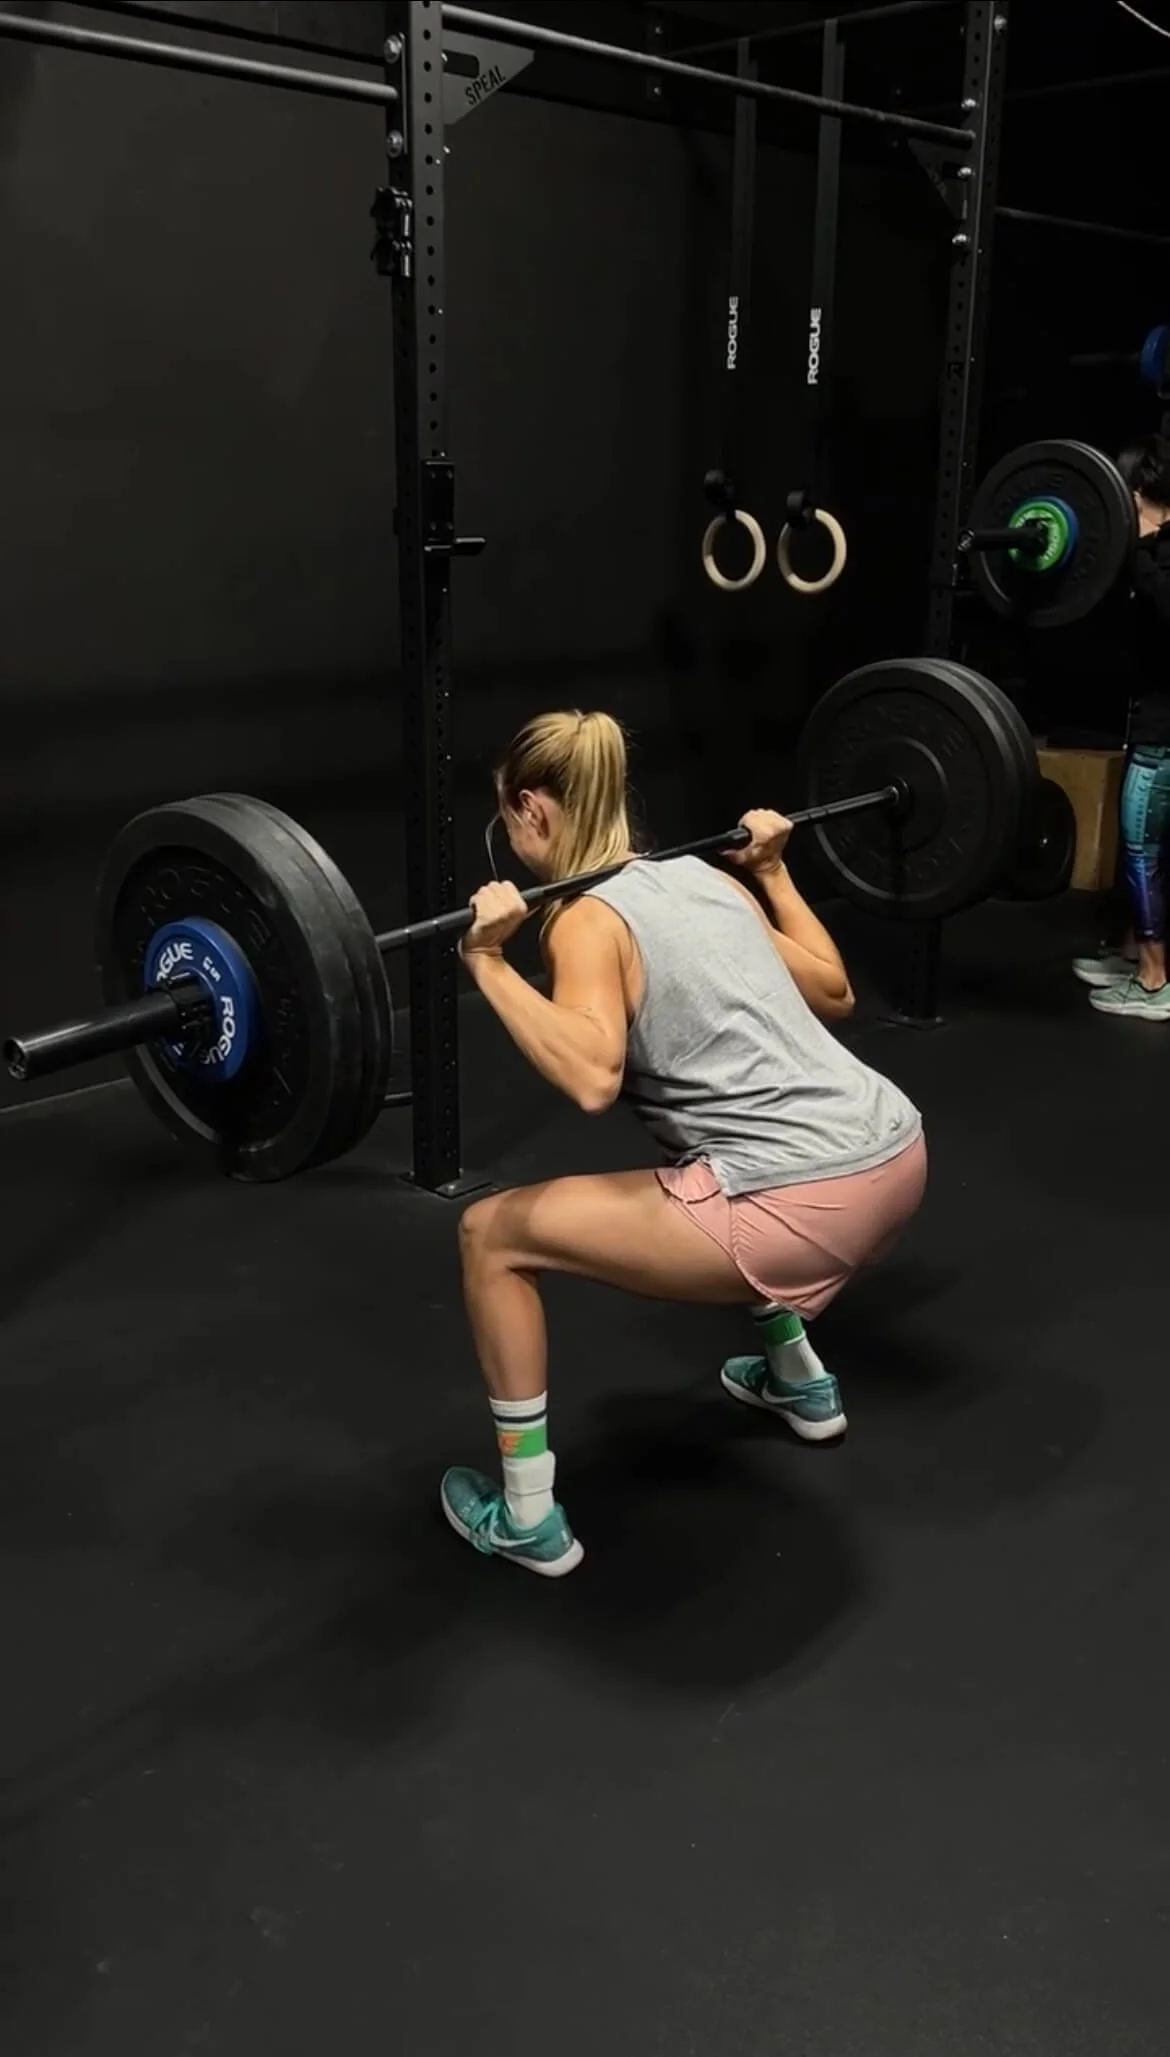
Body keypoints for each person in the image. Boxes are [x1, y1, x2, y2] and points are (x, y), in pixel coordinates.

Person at [440, 709, 927, 1577]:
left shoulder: (585, 920)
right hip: (898, 1151)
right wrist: (773, 873)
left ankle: (526, 1516)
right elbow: (836, 986)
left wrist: (487, 963)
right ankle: (798, 1378)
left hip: (800, 1205)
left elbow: (592, 1076)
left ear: (533, 810)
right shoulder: (708, 879)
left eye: (505, 819)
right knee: (695, 1153)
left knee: (490, 1235)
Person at [1073, 434, 1170, 1019]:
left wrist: (1138, 549)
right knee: (1146, 850)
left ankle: (1155, 980)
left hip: (1165, 733)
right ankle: (1139, 950)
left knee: (1141, 851)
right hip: (1152, 723)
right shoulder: (1152, 553)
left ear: (1134, 494)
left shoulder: (1157, 556)